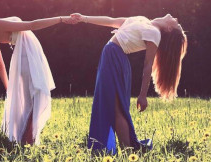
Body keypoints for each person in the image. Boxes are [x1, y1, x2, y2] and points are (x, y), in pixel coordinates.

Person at [70, 13, 188, 153]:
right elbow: (112, 20)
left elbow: (147, 65)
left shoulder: (154, 33)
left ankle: (127, 151)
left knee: (117, 108)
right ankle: (127, 150)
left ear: (168, 28)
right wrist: (84, 18)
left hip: (115, 58)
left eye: (176, 22)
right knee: (114, 106)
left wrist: (142, 95)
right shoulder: (143, 20)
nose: (175, 18)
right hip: (111, 56)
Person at [0, 16, 76, 145]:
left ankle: (25, 141)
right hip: (28, 59)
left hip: (28, 58)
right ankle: (26, 142)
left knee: (31, 104)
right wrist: (60, 19)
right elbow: (32, 23)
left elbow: (1, 65)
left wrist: (10, 89)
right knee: (34, 102)